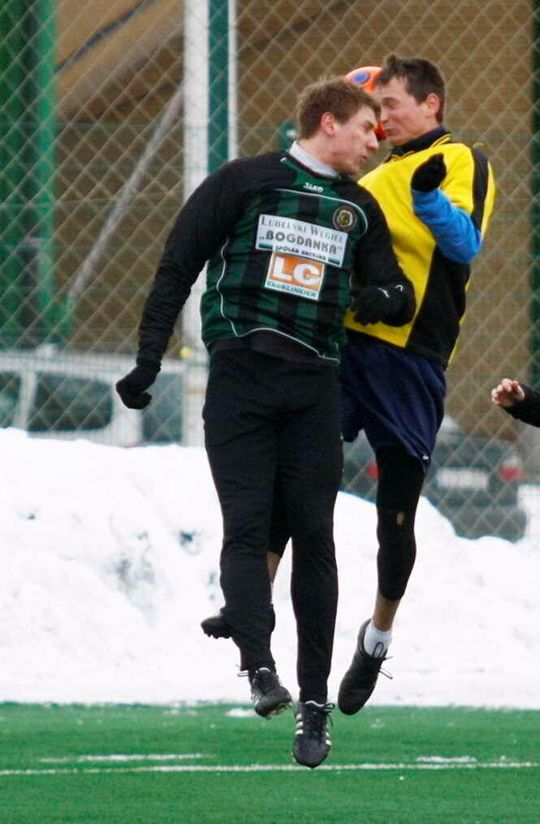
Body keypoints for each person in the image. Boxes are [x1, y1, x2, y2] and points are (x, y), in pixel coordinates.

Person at [115, 76, 415, 768]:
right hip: (242, 383)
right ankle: (259, 669)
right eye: (366, 129)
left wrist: (382, 296)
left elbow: (397, 291)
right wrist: (148, 359)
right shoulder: (245, 181)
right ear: (329, 122)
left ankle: (315, 708)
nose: (374, 144)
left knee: (315, 535)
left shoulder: (359, 207)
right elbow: (177, 265)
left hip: (314, 389)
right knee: (247, 529)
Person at [210, 55, 497, 715]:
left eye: (392, 104)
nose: (383, 117)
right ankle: (251, 606)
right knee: (292, 485)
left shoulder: (459, 160)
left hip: (410, 356)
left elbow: (463, 246)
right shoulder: (364, 176)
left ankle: (377, 638)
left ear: (431, 104)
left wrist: (427, 197)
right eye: (376, 108)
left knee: (395, 513)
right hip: (339, 348)